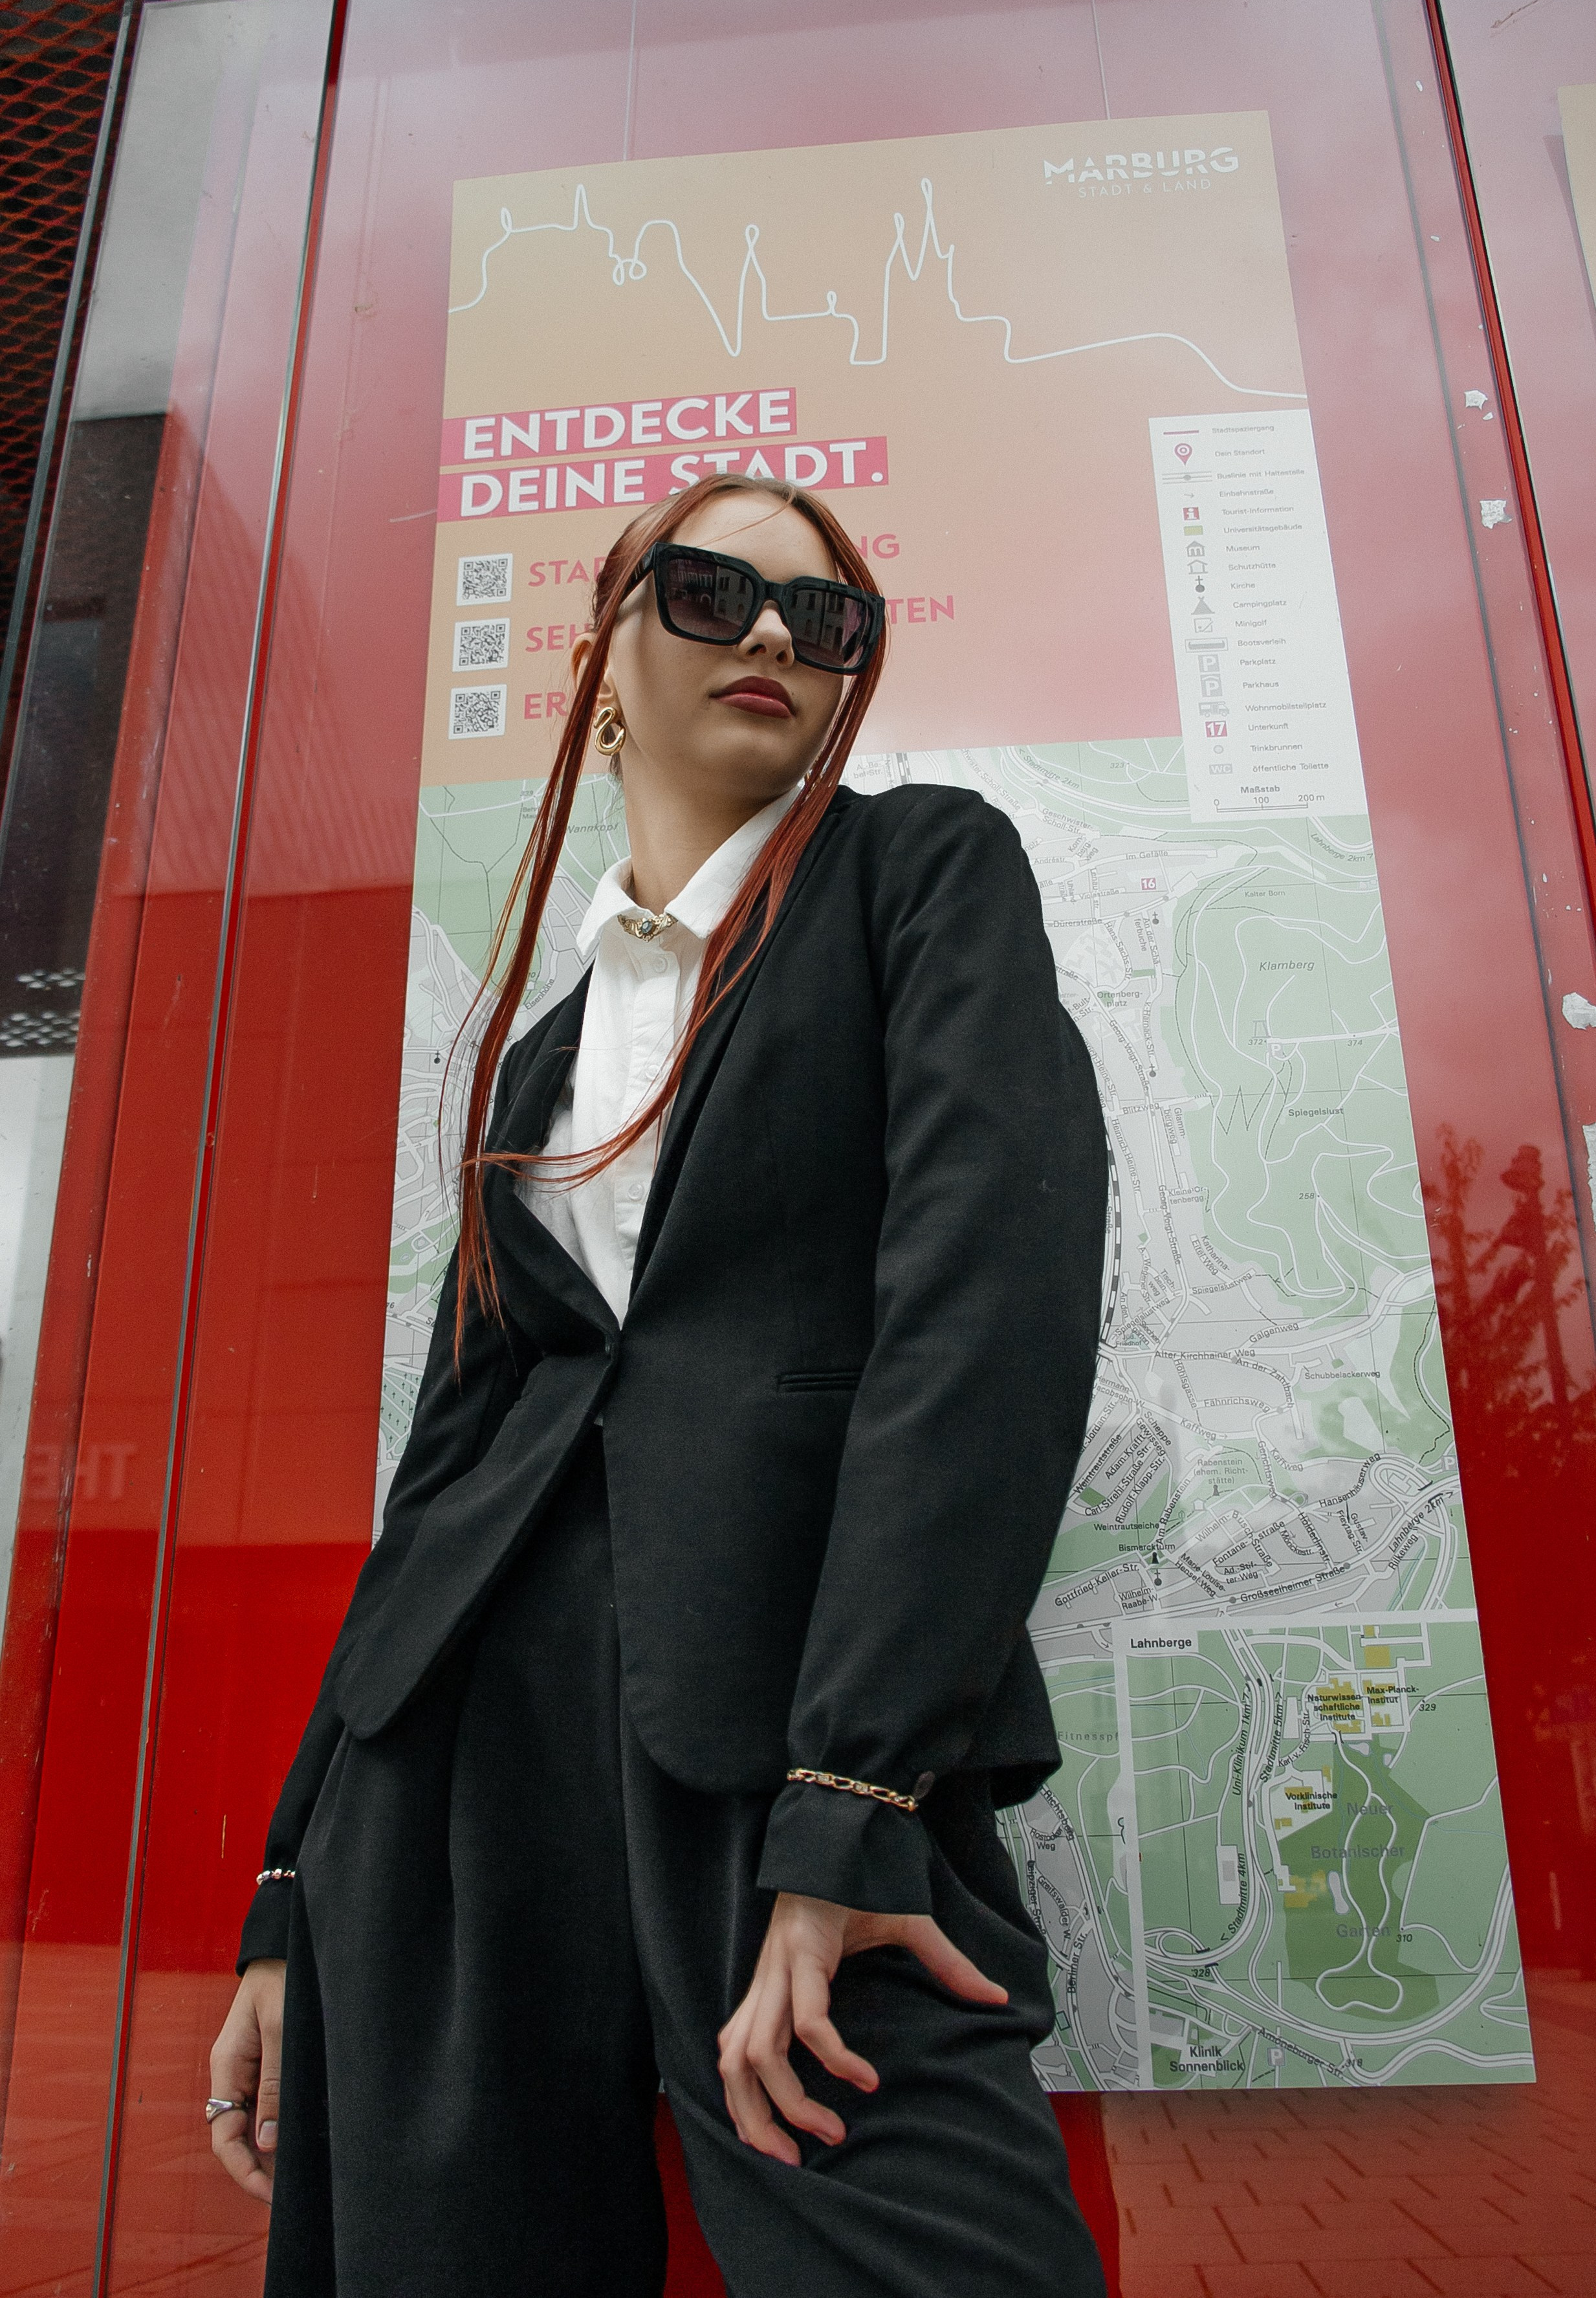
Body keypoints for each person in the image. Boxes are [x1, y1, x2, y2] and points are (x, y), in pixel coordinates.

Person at [208, 473, 1110, 2298]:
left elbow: (983, 1317)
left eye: (823, 614)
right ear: (602, 662)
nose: (773, 632)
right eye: (709, 592)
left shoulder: (916, 876)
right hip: (455, 1777)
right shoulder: (539, 1062)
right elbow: (437, 1484)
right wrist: (290, 1893)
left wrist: (857, 1789)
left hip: (787, 1723)